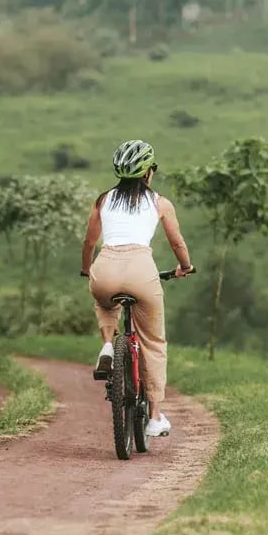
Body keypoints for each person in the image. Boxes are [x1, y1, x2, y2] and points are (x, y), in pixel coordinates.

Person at [80, 139, 193, 437]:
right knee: (153, 342)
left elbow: (90, 242)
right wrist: (185, 266)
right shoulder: (160, 203)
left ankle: (107, 344)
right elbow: (177, 242)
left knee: (105, 302)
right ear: (148, 173)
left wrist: (86, 269)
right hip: (141, 270)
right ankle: (155, 416)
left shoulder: (103, 200)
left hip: (105, 266)